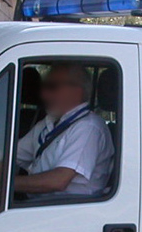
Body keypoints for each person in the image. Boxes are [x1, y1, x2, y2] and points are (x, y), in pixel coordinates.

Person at [13, 63, 114, 197]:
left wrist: (4, 184)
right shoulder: (49, 122)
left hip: (70, 212)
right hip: (41, 207)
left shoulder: (88, 127)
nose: (43, 93)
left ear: (76, 92)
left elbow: (58, 181)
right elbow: (13, 155)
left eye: (52, 87)